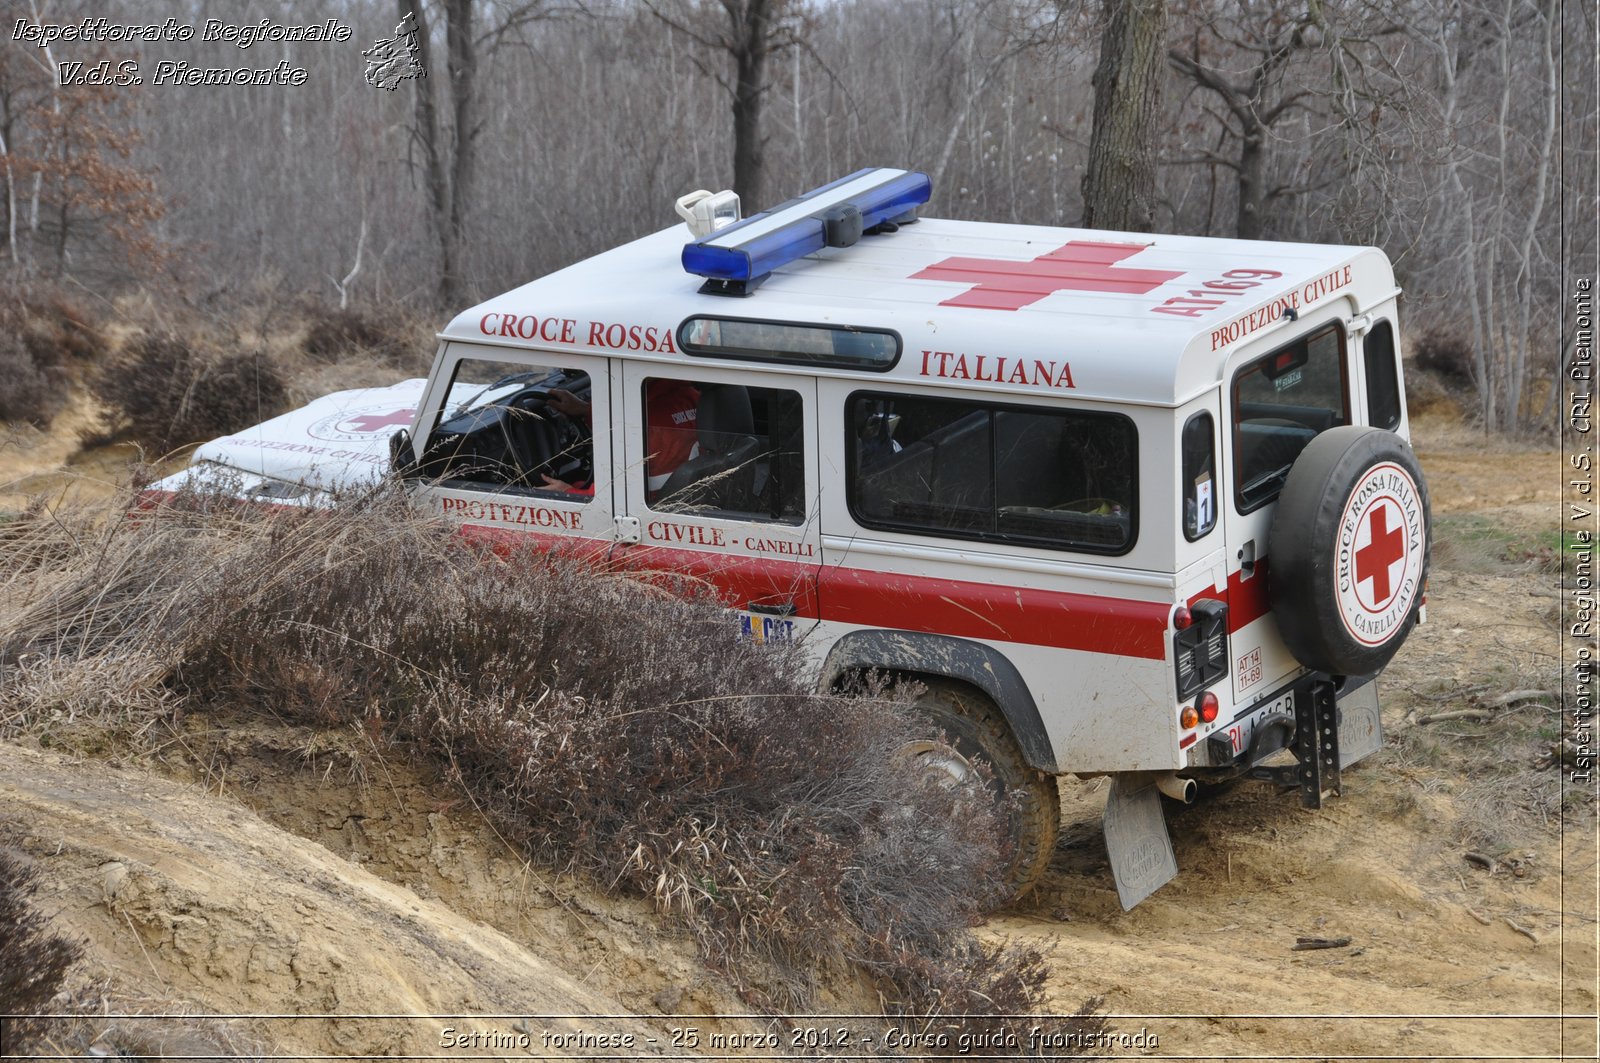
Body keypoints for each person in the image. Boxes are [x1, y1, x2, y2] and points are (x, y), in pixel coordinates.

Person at [538, 380, 700, 494]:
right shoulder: (693, 396)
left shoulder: (638, 420)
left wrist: (569, 492)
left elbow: (612, 500)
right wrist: (587, 410)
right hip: (684, 495)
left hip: (653, 504)